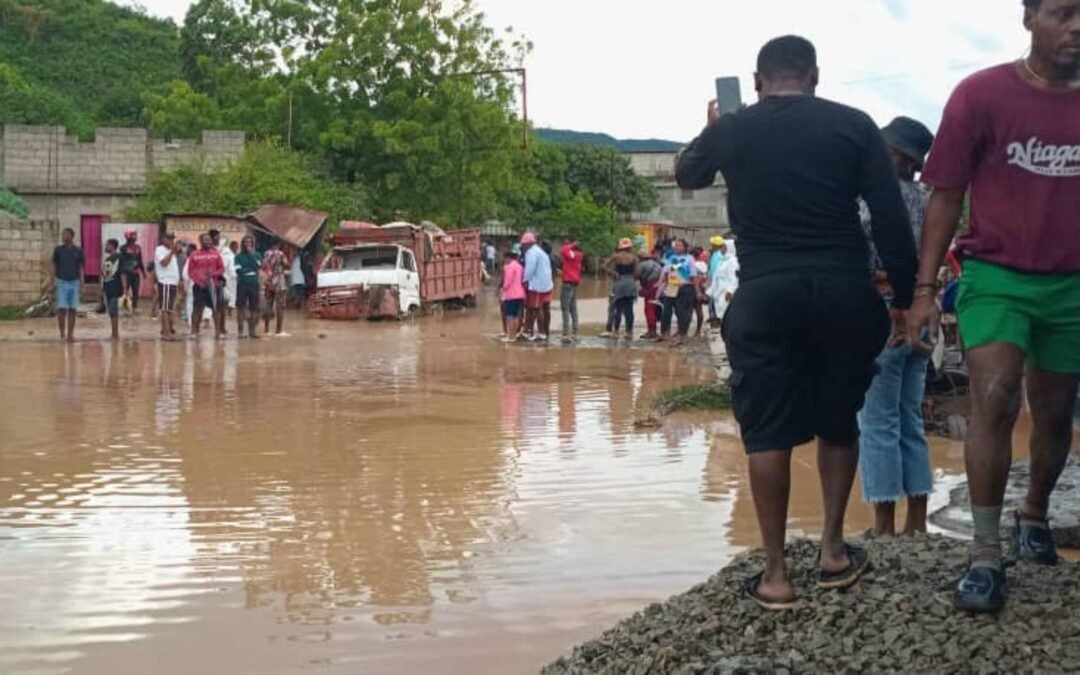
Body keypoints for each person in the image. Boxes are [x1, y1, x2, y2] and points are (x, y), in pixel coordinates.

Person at [676, 35, 917, 610]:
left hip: (764, 298)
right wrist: (908, 298)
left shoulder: (735, 128)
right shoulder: (855, 126)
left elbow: (688, 174)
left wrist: (714, 125)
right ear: (814, 76)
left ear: (758, 81)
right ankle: (833, 551)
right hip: (844, 294)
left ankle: (776, 575)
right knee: (839, 422)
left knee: (767, 432)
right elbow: (888, 219)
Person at [906, 0, 1080, 614]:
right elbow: (945, 196)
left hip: (1073, 284)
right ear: (1029, 16)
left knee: (1057, 415)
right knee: (997, 394)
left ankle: (1032, 515)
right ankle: (983, 552)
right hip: (996, 273)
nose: (1077, 26)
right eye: (1064, 11)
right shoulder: (981, 95)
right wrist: (925, 292)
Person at [856, 116, 936, 538]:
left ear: (899, 159)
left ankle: (883, 526)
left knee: (877, 420)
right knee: (909, 418)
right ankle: (917, 524)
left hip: (885, 310)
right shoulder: (927, 201)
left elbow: (861, 254)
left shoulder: (873, 199)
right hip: (923, 310)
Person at [658, 240, 700, 347]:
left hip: (685, 287)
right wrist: (662, 287)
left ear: (685, 247)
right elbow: (666, 272)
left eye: (679, 245)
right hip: (672, 286)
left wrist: (697, 290)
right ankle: (664, 333)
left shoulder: (689, 259)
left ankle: (681, 335)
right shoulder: (671, 258)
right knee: (666, 309)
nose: (676, 247)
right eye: (675, 245)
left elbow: (693, 275)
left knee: (682, 312)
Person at [187, 233, 225, 339]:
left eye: (209, 240)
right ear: (200, 241)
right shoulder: (194, 254)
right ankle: (194, 332)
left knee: (216, 309)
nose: (208, 242)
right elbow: (191, 271)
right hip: (199, 286)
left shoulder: (216, 254)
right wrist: (199, 281)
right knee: (197, 309)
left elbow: (221, 268)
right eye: (205, 240)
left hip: (214, 286)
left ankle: (218, 333)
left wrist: (213, 275)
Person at [602, 238, 639, 339]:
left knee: (618, 308)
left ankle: (616, 331)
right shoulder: (634, 258)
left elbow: (604, 266)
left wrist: (613, 273)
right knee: (629, 309)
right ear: (630, 247)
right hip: (630, 282)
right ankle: (629, 332)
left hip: (619, 283)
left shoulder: (616, 256)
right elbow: (637, 273)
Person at [52, 227, 84, 342]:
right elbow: (55, 265)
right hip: (62, 281)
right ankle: (62, 335)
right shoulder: (58, 250)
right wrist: (55, 279)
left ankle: (70, 335)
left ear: (71, 236)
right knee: (61, 309)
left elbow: (80, 268)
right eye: (62, 234)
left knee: (73, 309)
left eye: (65, 234)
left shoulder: (78, 251)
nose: (63, 236)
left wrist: (82, 283)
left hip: (74, 282)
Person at [521, 232, 554, 341]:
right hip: (546, 284)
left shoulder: (531, 253)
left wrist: (524, 280)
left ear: (527, 244)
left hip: (537, 285)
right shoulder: (540, 252)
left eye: (524, 245)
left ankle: (541, 333)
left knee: (536, 308)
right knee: (534, 308)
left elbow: (530, 269)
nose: (523, 247)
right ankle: (527, 331)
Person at [154, 232, 181, 340]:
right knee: (165, 308)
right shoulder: (159, 249)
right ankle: (166, 333)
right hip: (165, 281)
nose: (171, 241)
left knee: (170, 308)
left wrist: (174, 251)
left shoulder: (171, 250)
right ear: (163, 239)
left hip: (173, 282)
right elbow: (164, 263)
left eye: (172, 239)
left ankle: (168, 329)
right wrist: (172, 252)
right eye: (168, 238)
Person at [234, 235, 262, 338]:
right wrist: (249, 272)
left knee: (254, 307)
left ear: (253, 244)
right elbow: (238, 270)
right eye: (246, 242)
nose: (248, 244)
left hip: (254, 283)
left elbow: (258, 266)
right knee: (240, 307)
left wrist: (251, 255)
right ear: (242, 244)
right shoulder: (238, 256)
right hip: (242, 283)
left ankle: (252, 331)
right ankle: (240, 331)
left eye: (250, 242)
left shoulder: (257, 255)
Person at [261, 241, 289, 336]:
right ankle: (278, 330)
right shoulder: (280, 254)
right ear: (278, 244)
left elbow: (263, 266)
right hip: (279, 281)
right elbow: (286, 264)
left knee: (268, 304)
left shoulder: (266, 253)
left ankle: (266, 329)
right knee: (280, 306)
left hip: (269, 281)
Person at [637, 247, 664, 340]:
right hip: (658, 287)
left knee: (649, 309)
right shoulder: (657, 264)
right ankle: (657, 330)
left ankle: (651, 331)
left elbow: (636, 277)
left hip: (649, 287)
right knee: (655, 308)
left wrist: (639, 289)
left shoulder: (641, 265)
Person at [501, 244, 526, 342]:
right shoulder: (520, 266)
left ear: (508, 258)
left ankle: (510, 336)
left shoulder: (509, 267)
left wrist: (502, 289)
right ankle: (514, 336)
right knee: (516, 316)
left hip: (511, 295)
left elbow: (507, 282)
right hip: (520, 294)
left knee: (509, 316)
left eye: (505, 259)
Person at [559, 239, 584, 341]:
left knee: (565, 308)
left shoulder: (571, 254)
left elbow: (563, 250)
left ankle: (566, 332)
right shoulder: (579, 255)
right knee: (573, 308)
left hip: (567, 283)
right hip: (574, 283)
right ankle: (575, 331)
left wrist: (571, 244)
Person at [101, 238, 123, 340]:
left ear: (112, 246)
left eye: (107, 245)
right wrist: (102, 290)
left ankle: (115, 334)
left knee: (113, 312)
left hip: (115, 288)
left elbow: (123, 274)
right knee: (111, 312)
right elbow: (104, 276)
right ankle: (114, 333)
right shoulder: (107, 260)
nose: (105, 247)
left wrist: (126, 288)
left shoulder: (119, 258)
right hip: (108, 288)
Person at [118, 230, 145, 313]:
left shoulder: (138, 247)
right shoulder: (123, 248)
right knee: (125, 289)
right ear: (128, 236)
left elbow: (140, 260)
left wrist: (143, 272)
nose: (135, 237)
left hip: (136, 273)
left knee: (135, 290)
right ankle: (125, 307)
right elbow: (121, 261)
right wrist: (120, 272)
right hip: (126, 273)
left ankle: (135, 306)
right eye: (133, 235)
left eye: (135, 235)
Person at [707, 236, 728, 326]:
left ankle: (715, 319)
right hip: (717, 282)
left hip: (716, 282)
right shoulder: (718, 255)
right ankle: (715, 318)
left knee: (714, 300)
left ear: (715, 245)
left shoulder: (717, 256)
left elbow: (715, 270)